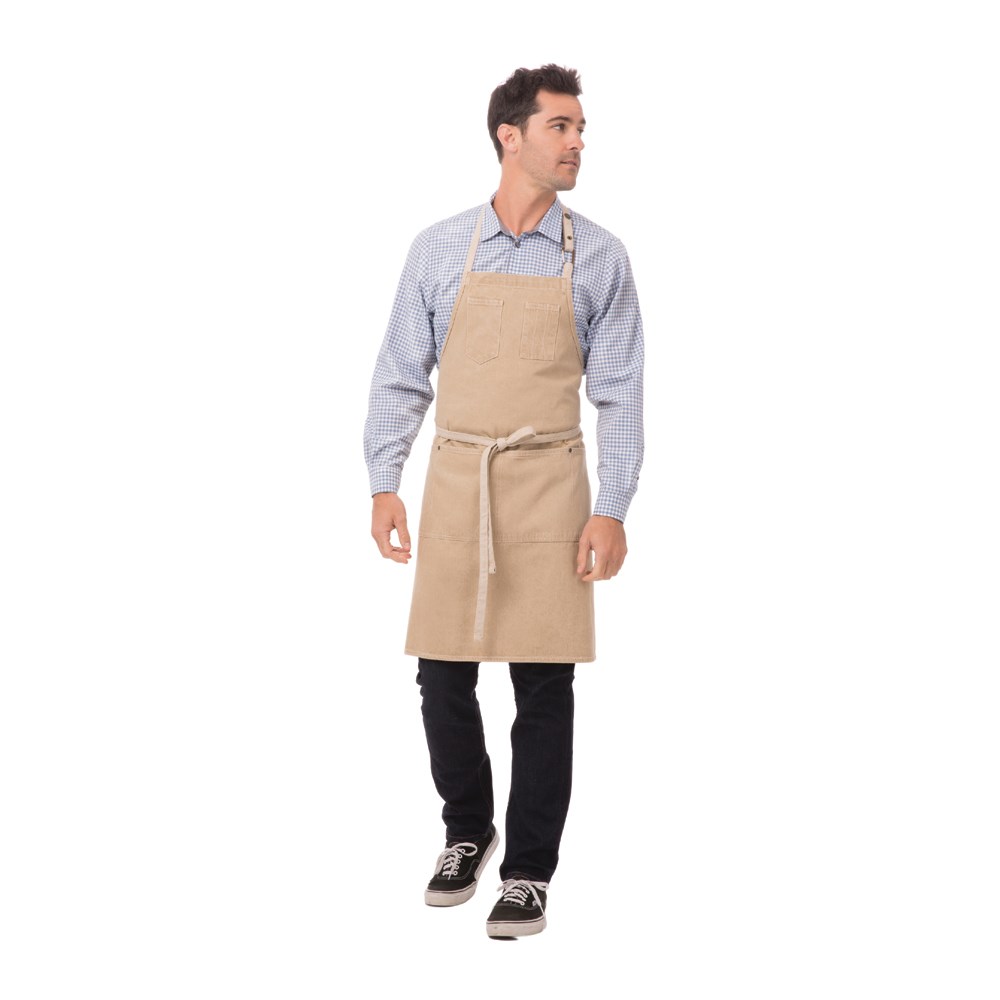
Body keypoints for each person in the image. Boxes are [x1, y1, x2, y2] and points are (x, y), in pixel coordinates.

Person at [363, 64, 644, 939]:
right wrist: (383, 481)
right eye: (562, 127)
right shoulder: (439, 248)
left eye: (581, 129)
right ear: (509, 136)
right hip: (459, 480)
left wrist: (613, 505)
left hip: (552, 484)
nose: (578, 143)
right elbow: (401, 373)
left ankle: (527, 871)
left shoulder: (600, 256)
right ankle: (467, 829)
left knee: (543, 681)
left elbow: (621, 393)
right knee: (441, 674)